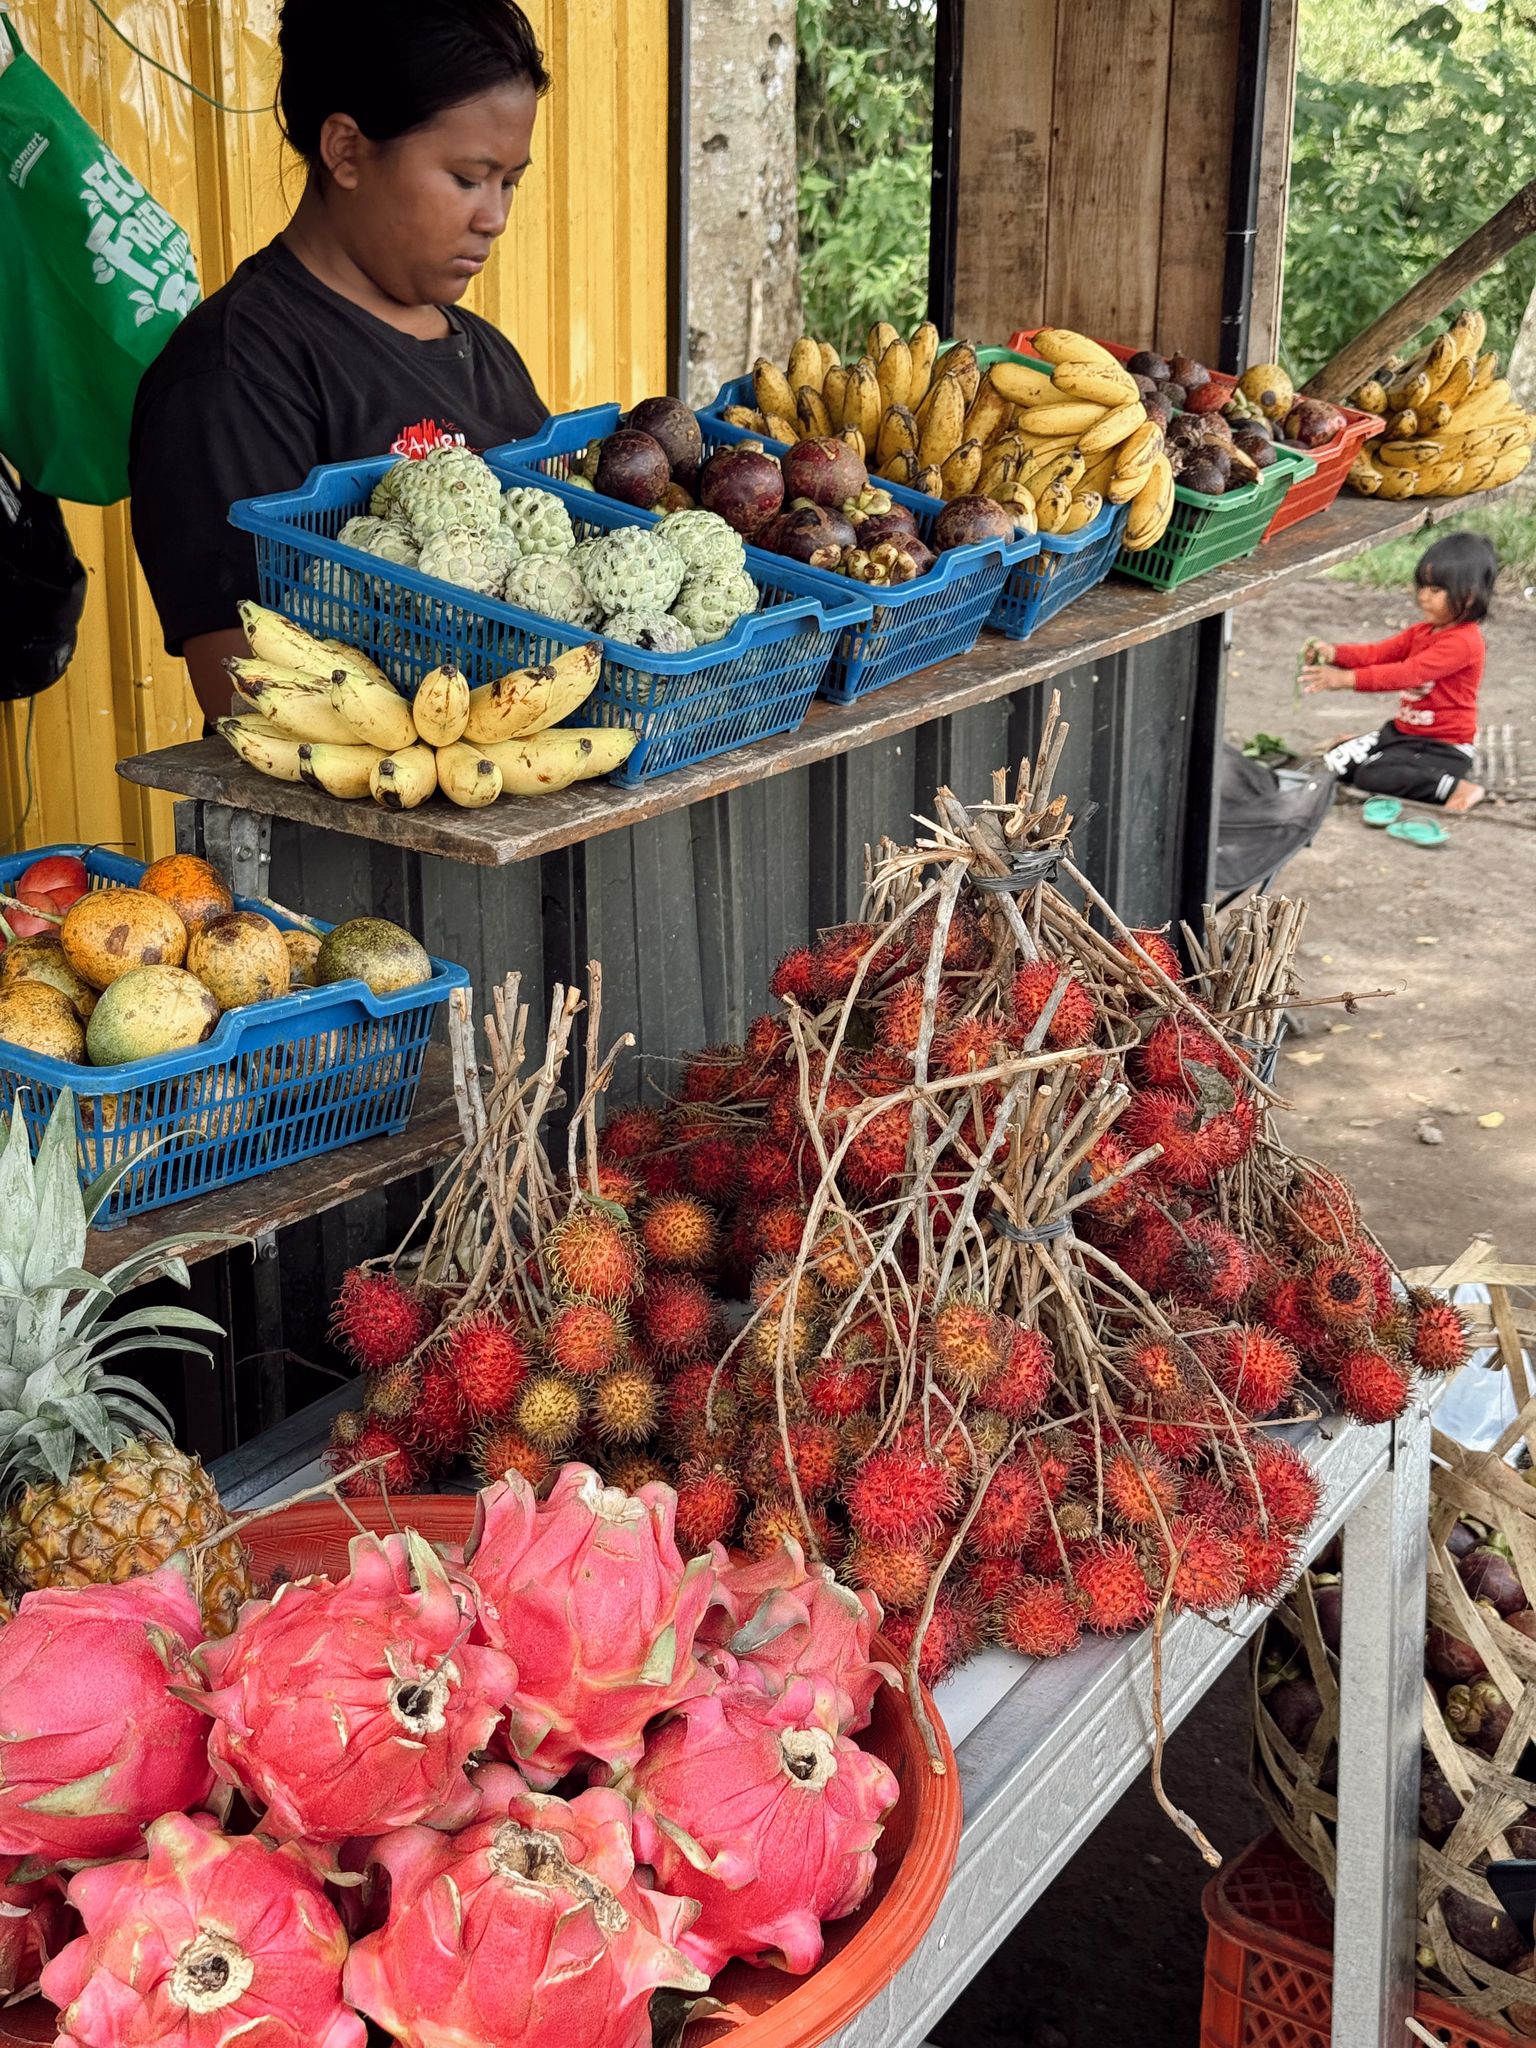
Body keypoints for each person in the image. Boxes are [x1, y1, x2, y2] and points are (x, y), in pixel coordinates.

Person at [129, 0, 550, 724]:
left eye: (510, 181)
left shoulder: (488, 353)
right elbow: (253, 691)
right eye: (467, 178)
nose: (496, 217)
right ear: (347, 151)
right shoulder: (233, 376)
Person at [1300, 530, 1497, 813]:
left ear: (1469, 596)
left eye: (1435, 590)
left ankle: (1459, 787)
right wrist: (1335, 653)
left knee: (1372, 775)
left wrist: (1344, 680)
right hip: (1403, 734)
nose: (1423, 597)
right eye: (1422, 586)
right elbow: (1378, 653)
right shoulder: (1422, 631)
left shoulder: (1464, 642)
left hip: (1443, 748)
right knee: (1334, 762)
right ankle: (1370, 746)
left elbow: (1408, 673)